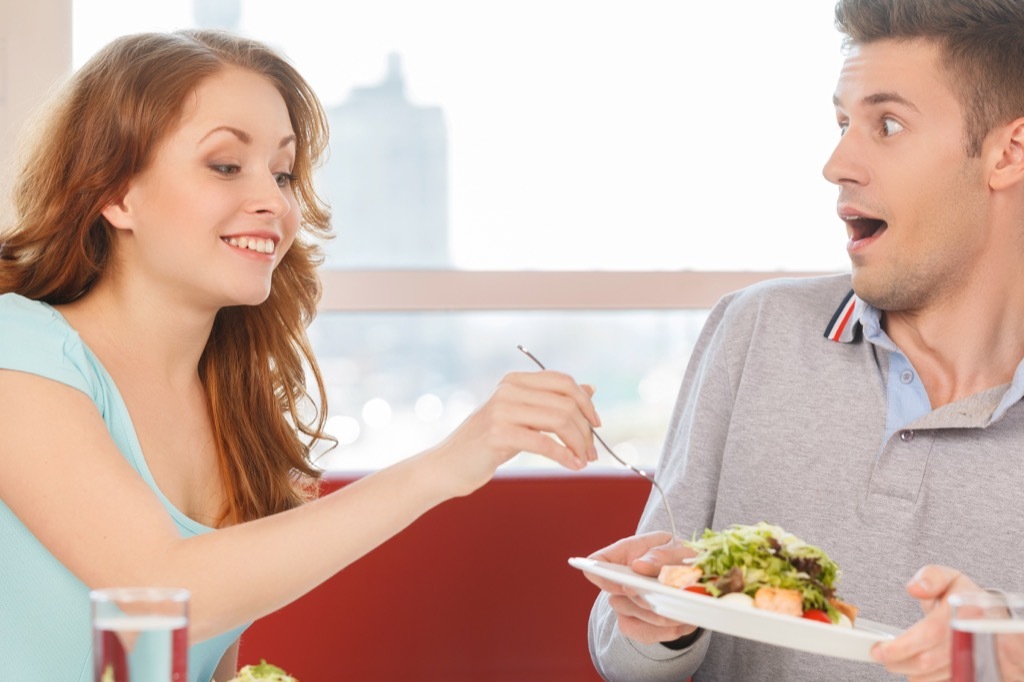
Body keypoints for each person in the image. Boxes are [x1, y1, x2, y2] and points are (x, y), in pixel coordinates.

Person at [0, 30, 601, 682]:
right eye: (226, 166)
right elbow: (163, 595)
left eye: (282, 173)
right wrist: (441, 468)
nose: (275, 202)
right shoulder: (19, 349)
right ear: (115, 193)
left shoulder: (235, 406)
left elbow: (200, 659)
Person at [585, 0, 1024, 680]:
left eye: (887, 124)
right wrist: (657, 624)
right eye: (843, 123)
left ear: (1008, 153)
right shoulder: (755, 330)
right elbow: (626, 648)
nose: (837, 163)